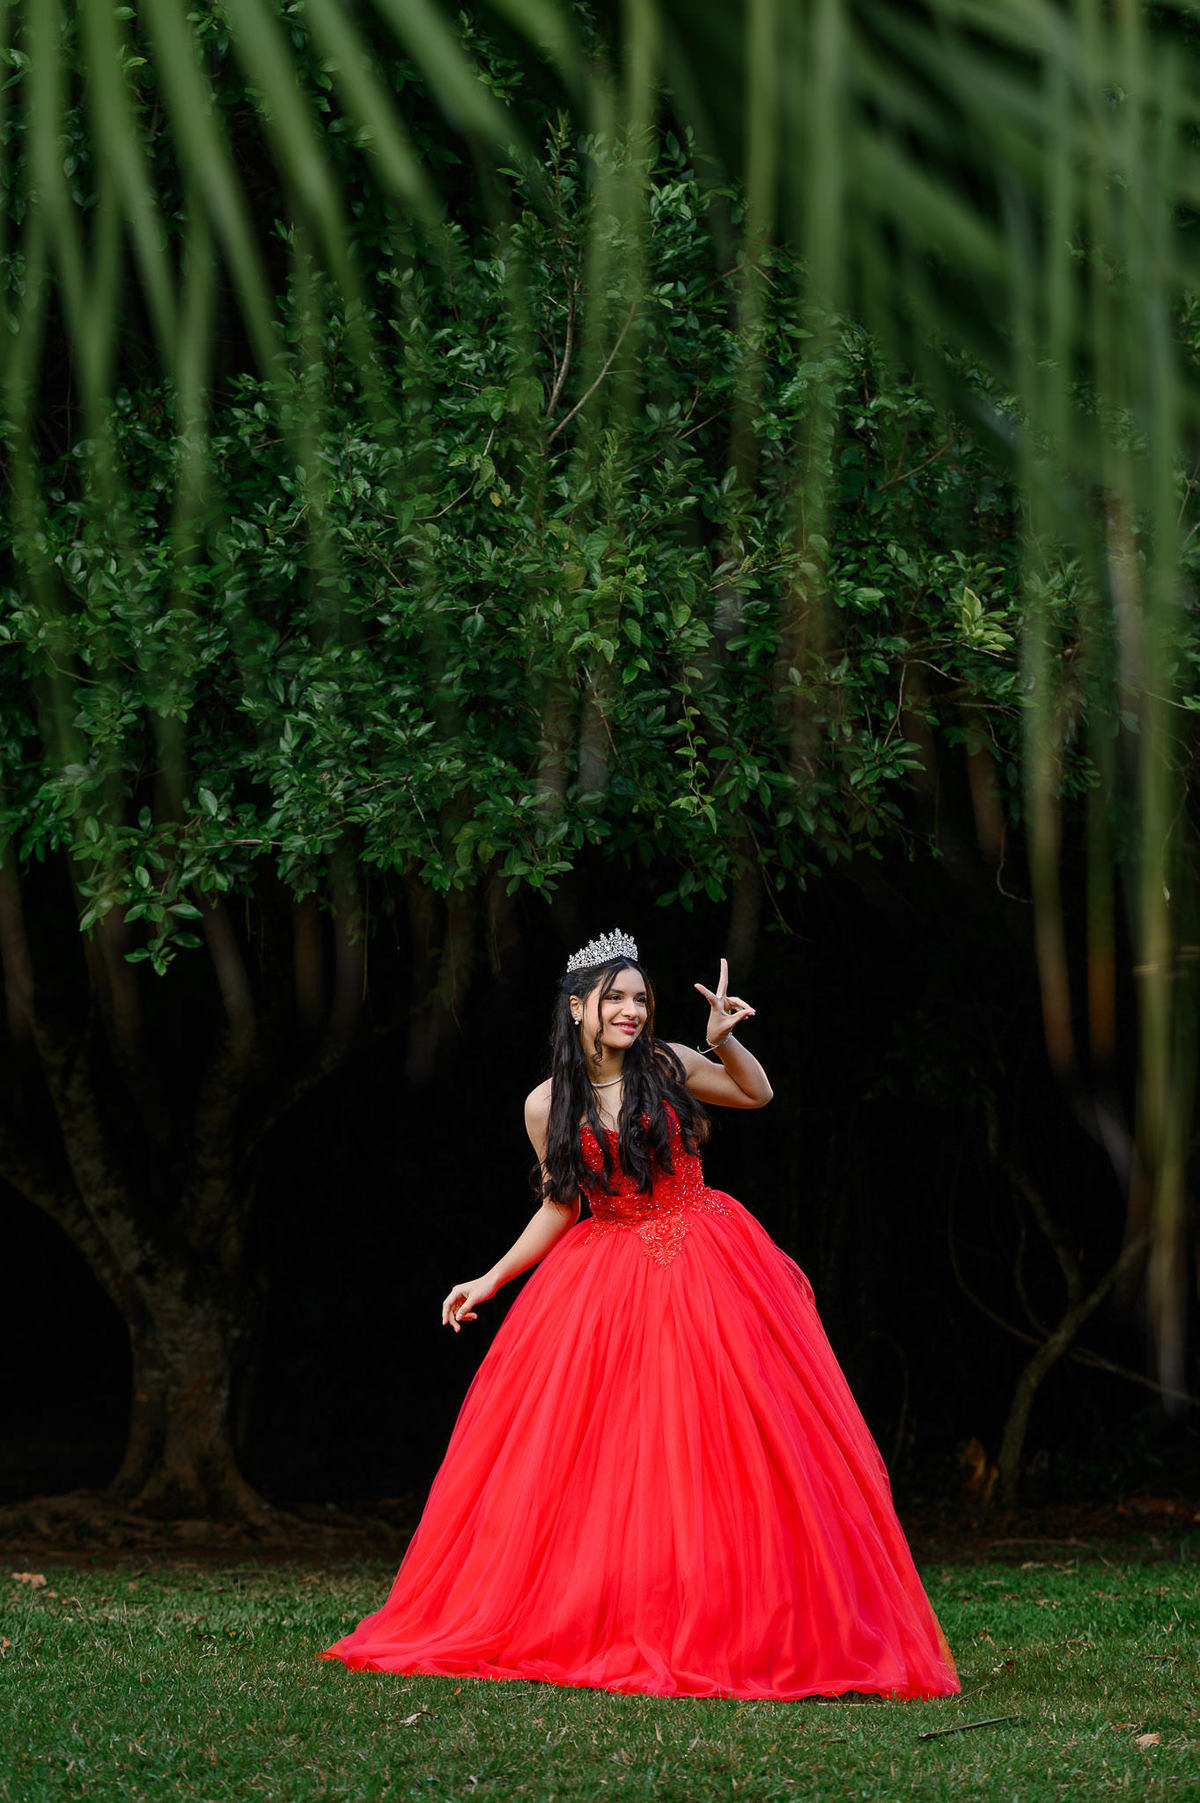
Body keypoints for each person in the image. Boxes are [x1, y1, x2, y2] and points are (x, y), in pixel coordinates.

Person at [322, 930, 958, 1700]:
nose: (630, 1010)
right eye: (615, 997)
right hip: (605, 1279)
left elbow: (756, 1094)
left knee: (730, 1444)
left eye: (639, 998)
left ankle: (744, 1621)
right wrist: (491, 1276)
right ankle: (615, 1613)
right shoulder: (545, 1102)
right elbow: (563, 1202)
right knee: (613, 1457)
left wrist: (724, 1045)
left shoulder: (668, 1064)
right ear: (578, 1005)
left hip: (709, 1263)